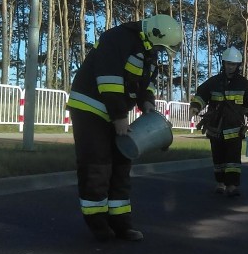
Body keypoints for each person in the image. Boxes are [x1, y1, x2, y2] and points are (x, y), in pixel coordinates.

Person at [66, 14, 183, 242]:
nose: (159, 52)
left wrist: (147, 102)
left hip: (113, 111)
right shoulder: (117, 38)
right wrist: (120, 117)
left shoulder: (147, 50)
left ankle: (121, 223)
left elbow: (143, 84)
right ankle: (98, 223)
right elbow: (109, 80)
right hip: (90, 109)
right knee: (97, 166)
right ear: (153, 35)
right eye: (160, 47)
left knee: (121, 165)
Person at [189, 46, 248, 197]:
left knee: (233, 159)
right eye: (228, 63)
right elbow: (201, 95)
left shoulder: (243, 84)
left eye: (233, 64)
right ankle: (220, 184)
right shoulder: (213, 82)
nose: (230, 66)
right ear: (223, 63)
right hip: (215, 128)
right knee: (218, 158)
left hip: (234, 129)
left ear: (238, 66)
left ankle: (232, 186)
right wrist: (195, 106)